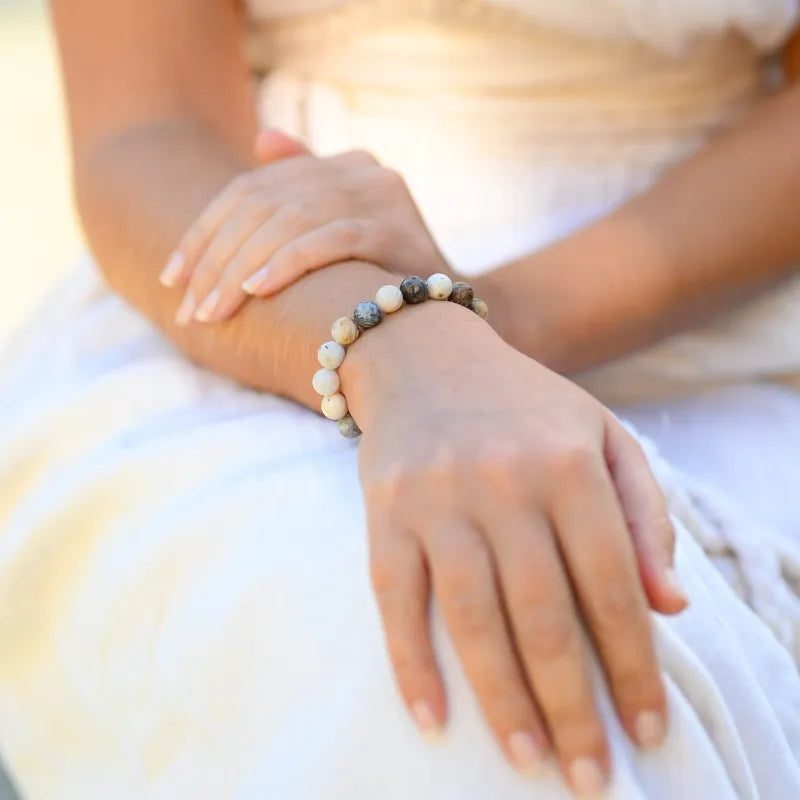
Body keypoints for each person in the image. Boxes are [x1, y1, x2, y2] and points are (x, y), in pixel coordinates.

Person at [0, 0, 798, 796]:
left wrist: (500, 315)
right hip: (267, 278)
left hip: (717, 309)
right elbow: (146, 128)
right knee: (416, 656)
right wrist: (397, 341)